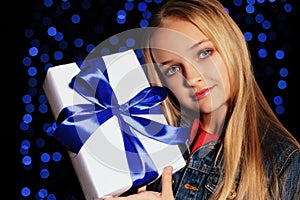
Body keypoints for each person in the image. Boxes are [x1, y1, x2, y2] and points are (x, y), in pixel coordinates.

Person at [107, 0, 300, 199]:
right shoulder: (146, 145)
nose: (191, 77)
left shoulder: (281, 163)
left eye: (204, 53)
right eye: (173, 69)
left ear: (232, 46)